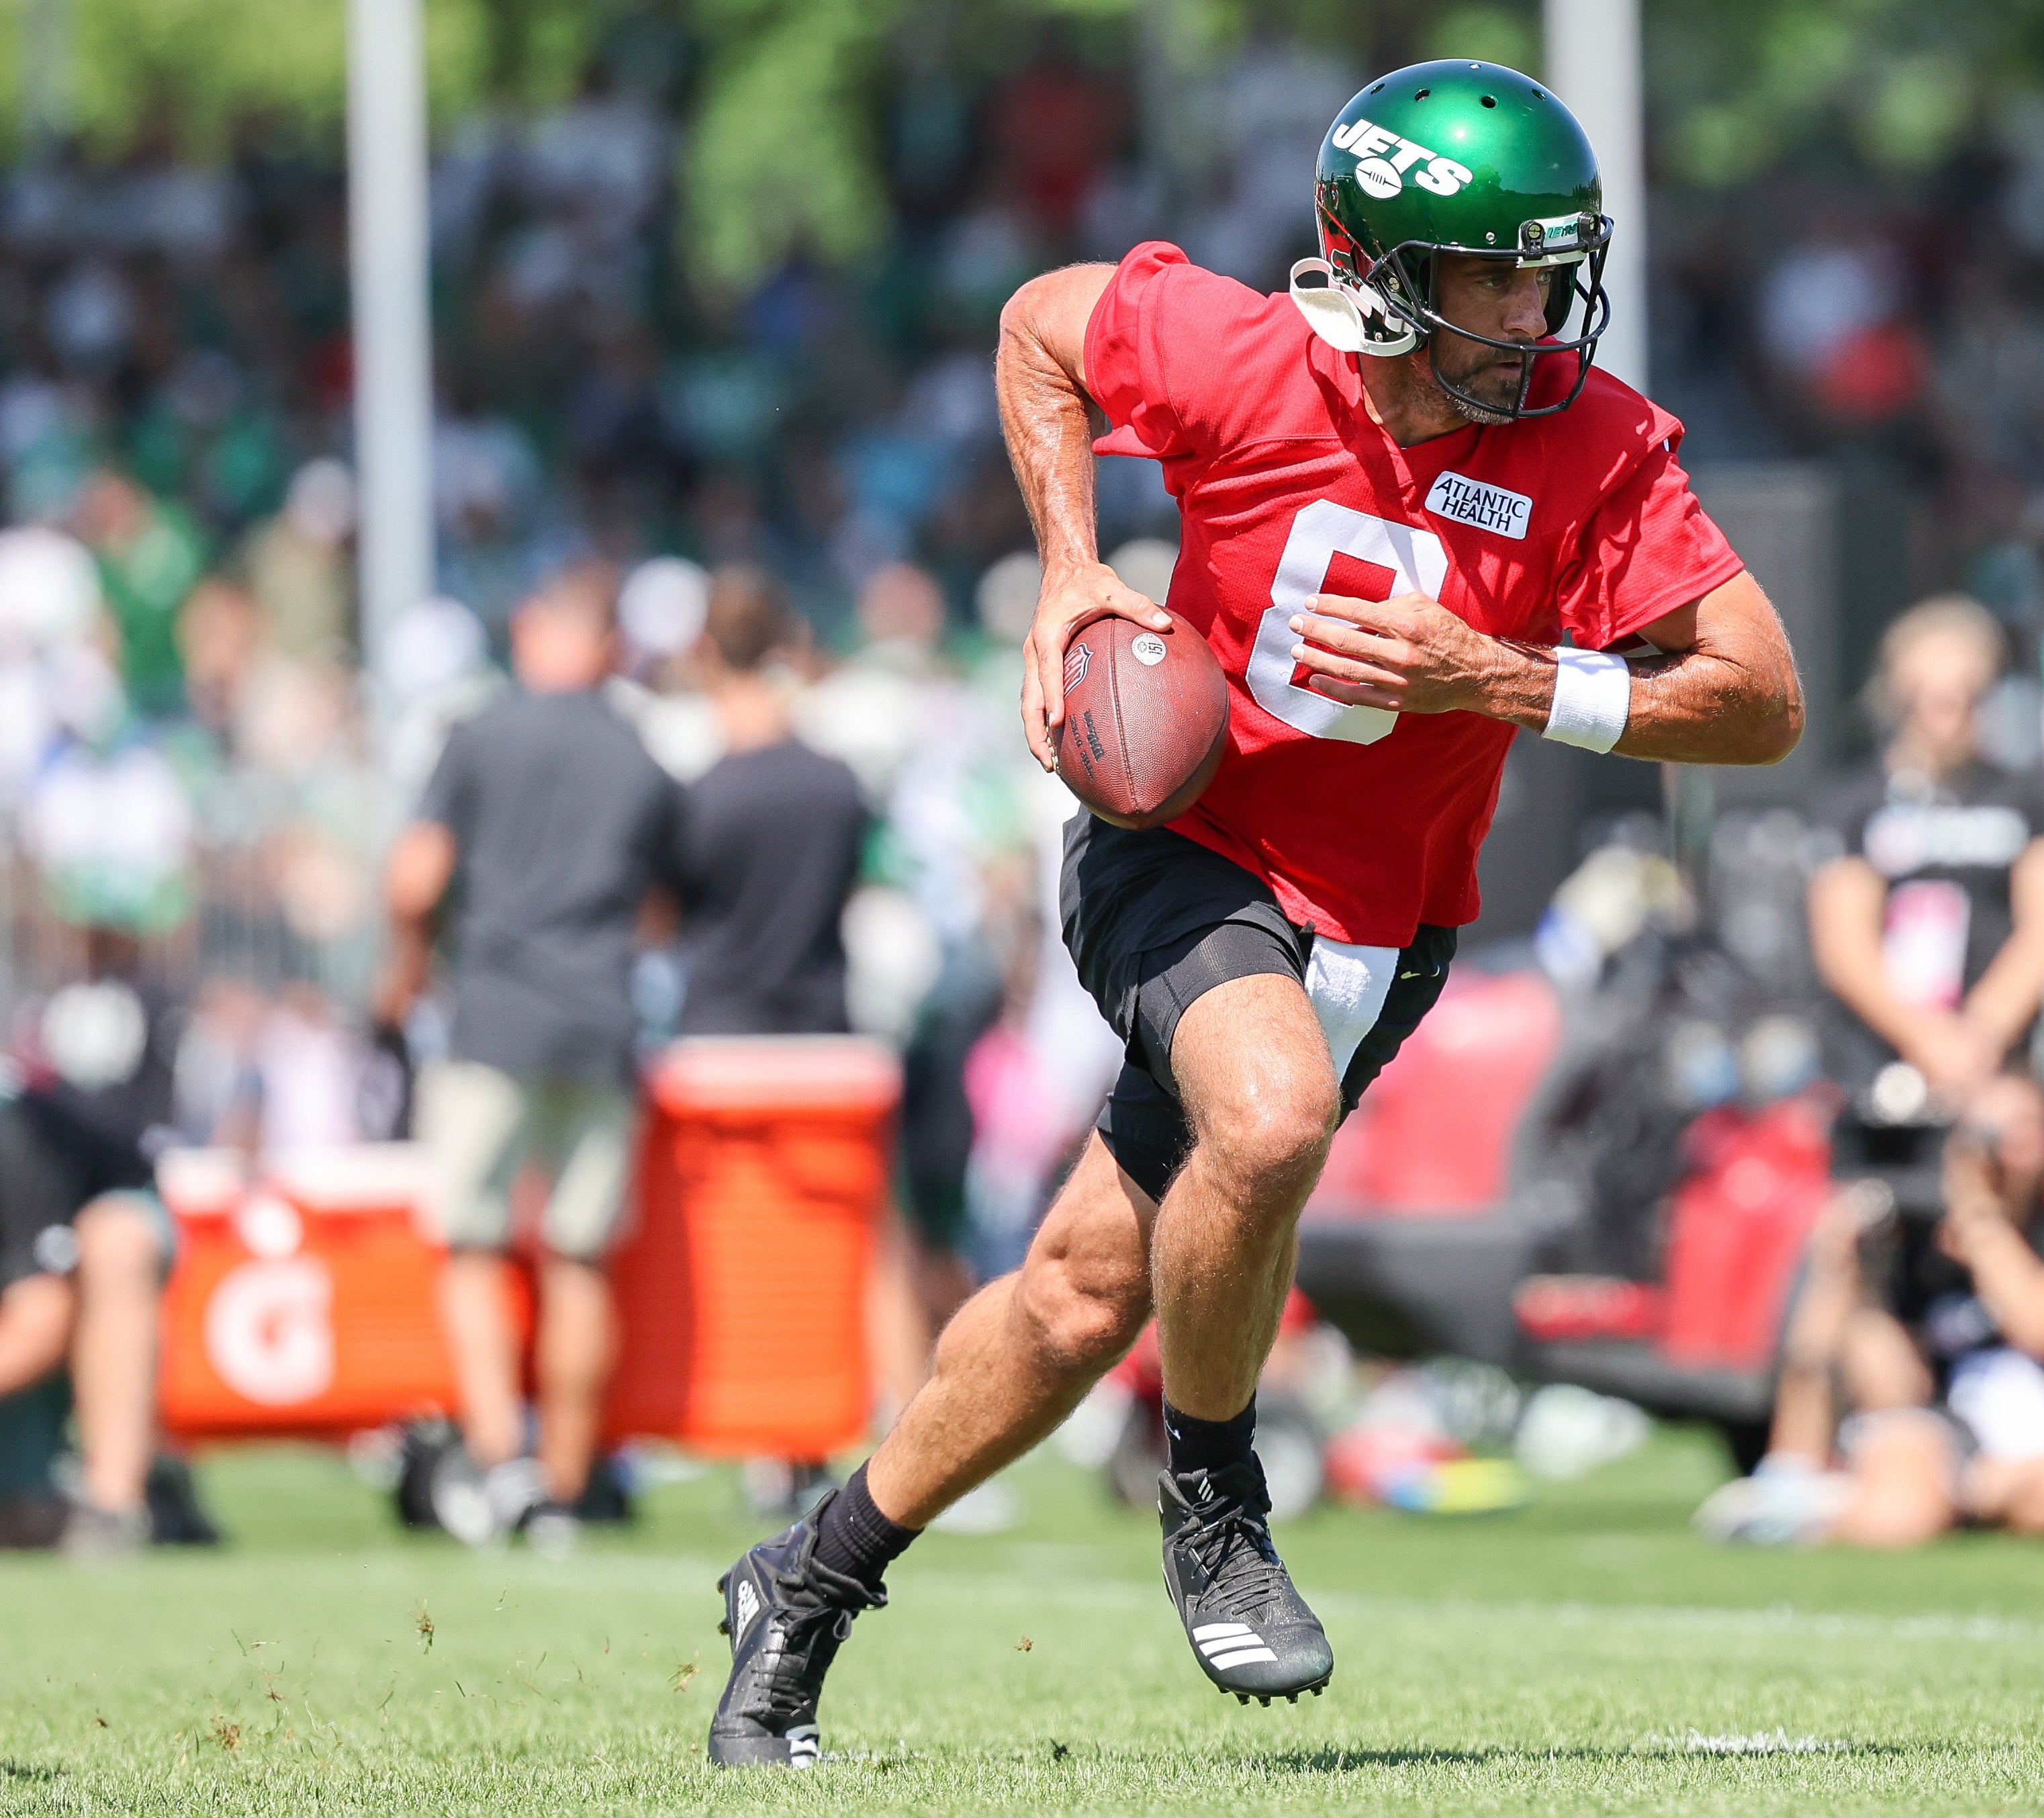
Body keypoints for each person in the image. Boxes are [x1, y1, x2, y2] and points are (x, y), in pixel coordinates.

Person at [707, 59, 1804, 1767]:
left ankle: (804, 1579)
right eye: (1496, 271)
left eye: (1546, 264)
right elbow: (1037, 324)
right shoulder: (1241, 354)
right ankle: (1214, 1495)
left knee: (1079, 1291)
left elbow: (1759, 698)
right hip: (1185, 845)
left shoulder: (1587, 440)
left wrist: (1511, 679)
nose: (1534, 306)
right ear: (1379, 267)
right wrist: (1071, 562)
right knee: (1271, 1108)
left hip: (1381, 917)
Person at [377, 562, 682, 1555]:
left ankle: (500, 1453)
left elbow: (415, 879)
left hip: (495, 1013)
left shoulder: (477, 733)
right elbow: (660, 911)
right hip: (597, 1017)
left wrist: (408, 971)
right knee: (579, 1254)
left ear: (532, 627)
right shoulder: (639, 754)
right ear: (611, 646)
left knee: (471, 1241)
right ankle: (563, 1484)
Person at [1699, 1071, 2044, 1547]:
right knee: (1899, 1516)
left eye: (2023, 1128)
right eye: (1988, 1131)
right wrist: (1840, 1267)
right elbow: (1871, 1380)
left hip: (2032, 1445)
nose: (2004, 1147)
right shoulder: (1903, 1244)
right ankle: (1817, 1509)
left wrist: (1978, 1216)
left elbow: (2040, 1328)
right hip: (1929, 1435)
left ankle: (1961, 1503)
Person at [1808, 596, 2044, 1188]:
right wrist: (1925, 1038)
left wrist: (1979, 1037)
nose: (1949, 714)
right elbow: (1844, 944)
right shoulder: (1854, 801)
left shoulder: (2026, 795)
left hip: (1997, 1065)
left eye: (1967, 696)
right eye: (1930, 697)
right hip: (1881, 1060)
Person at [0, 929, 188, 1556]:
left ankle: (115, 1502)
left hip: (71, 1265)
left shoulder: (17, 1140)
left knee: (118, 1239)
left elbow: (40, 1319)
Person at [671, 566, 871, 1040]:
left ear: (705, 652)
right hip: (820, 1037)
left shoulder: (697, 798)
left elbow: (662, 920)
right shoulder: (839, 785)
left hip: (717, 1041)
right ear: (784, 647)